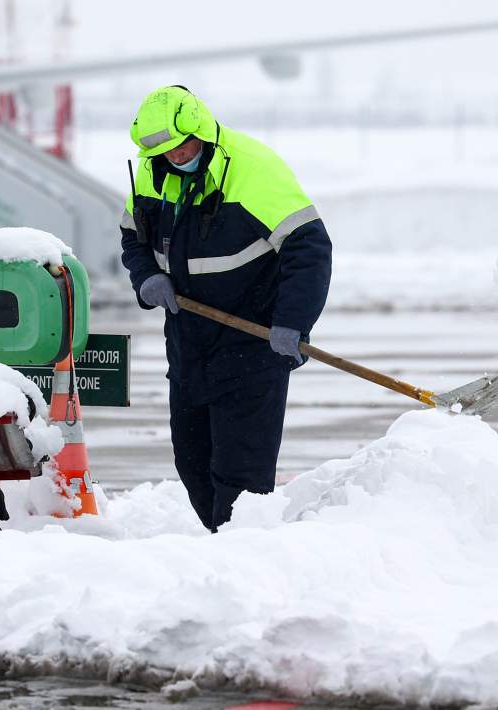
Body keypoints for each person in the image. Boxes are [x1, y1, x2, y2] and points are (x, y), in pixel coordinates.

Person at [119, 85, 332, 531]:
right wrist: (148, 277)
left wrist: (292, 322)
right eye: (164, 153)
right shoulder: (149, 171)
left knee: (241, 477)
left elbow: (309, 247)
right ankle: (221, 544)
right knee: (193, 464)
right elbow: (131, 237)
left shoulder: (253, 170)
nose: (175, 158)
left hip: (253, 342)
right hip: (188, 340)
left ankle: (243, 564)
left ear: (202, 133)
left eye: (182, 147)